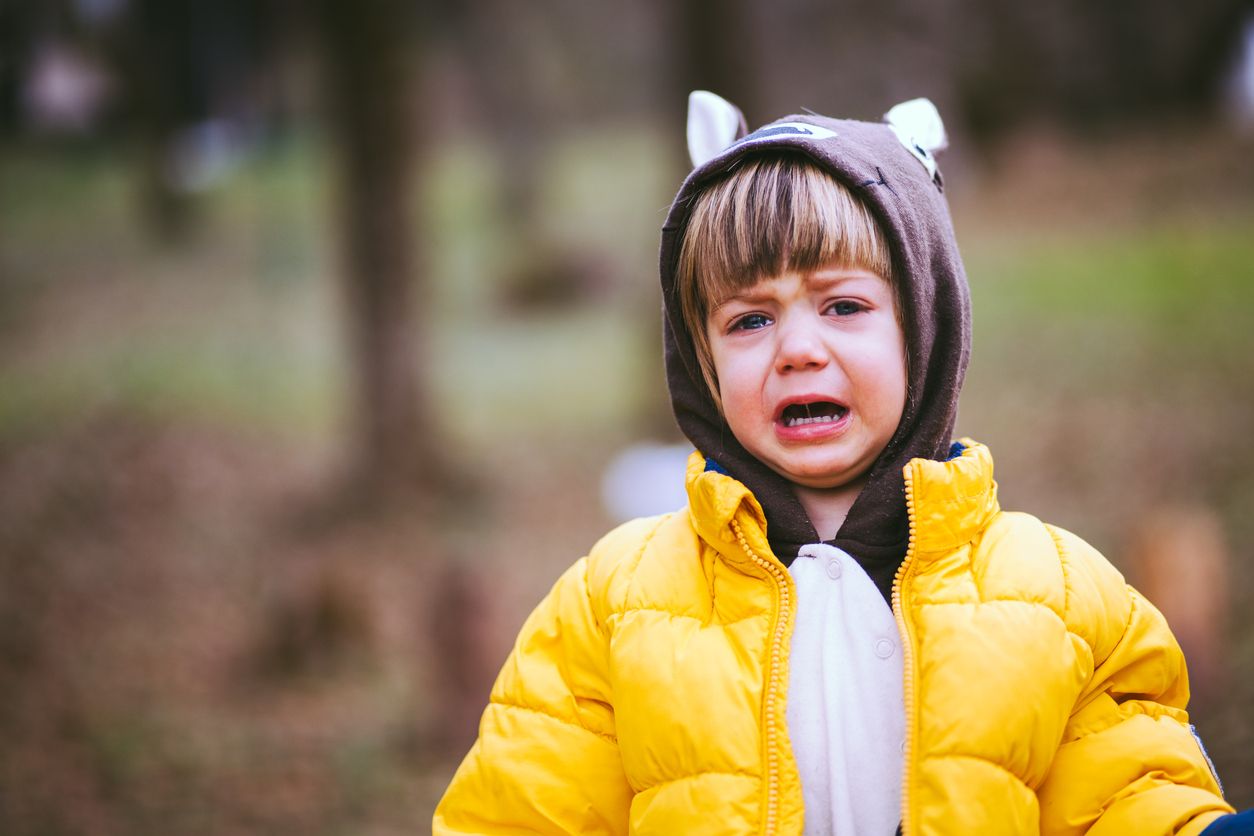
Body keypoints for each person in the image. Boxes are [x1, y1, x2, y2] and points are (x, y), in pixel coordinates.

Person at [433, 93, 1249, 834]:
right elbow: (517, 814)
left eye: (844, 306)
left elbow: (1131, 799)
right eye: (749, 321)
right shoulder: (614, 605)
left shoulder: (1058, 600)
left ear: (924, 329)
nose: (796, 349)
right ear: (702, 361)